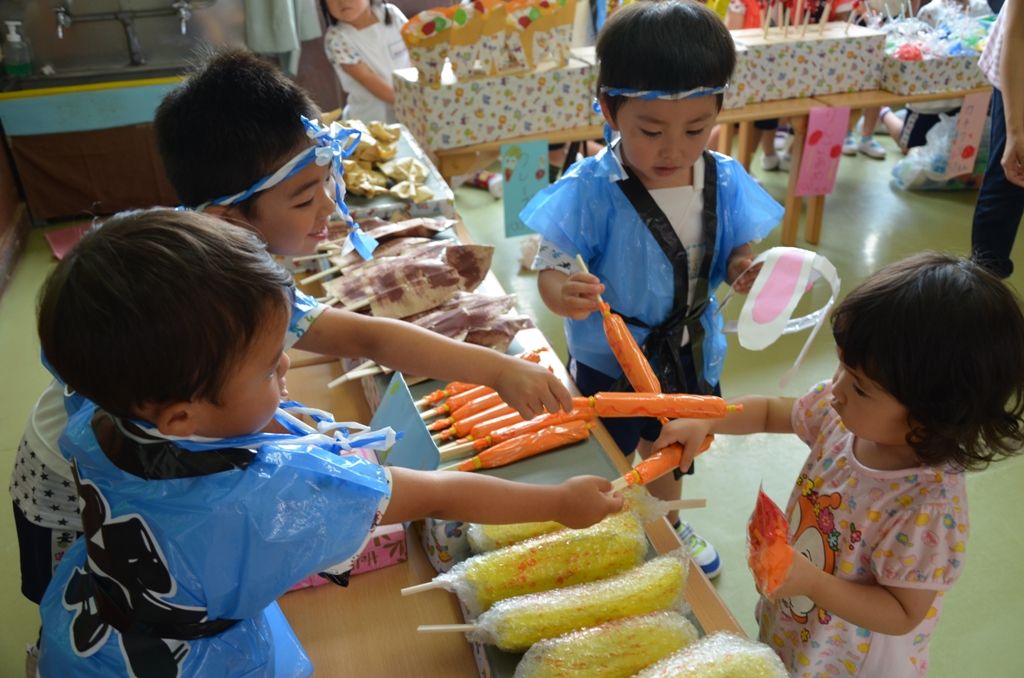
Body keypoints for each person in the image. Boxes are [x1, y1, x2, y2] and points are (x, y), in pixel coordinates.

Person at [10, 47, 571, 665]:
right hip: (63, 474)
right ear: (230, 217)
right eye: (305, 199)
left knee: (117, 590)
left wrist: (495, 368)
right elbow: (430, 493)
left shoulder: (188, 265)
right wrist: (562, 502)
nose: (329, 208)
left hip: (124, 452)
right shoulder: (199, 339)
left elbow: (362, 337)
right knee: (80, 577)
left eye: (328, 184)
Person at [34, 209, 622, 676]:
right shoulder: (269, 496)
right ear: (183, 416)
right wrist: (558, 503)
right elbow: (437, 494)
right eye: (268, 368)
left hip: (88, 624)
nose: (288, 360)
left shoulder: (102, 399)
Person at [650, 252, 1024, 676]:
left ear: (933, 412)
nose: (837, 390)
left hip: (850, 661)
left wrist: (811, 582)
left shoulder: (928, 508)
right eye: (842, 366)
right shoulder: (841, 418)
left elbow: (902, 612)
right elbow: (773, 411)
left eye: (861, 387)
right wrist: (709, 418)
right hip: (797, 625)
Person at [521, 0, 784, 578]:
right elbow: (549, 266)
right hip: (609, 359)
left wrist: (742, 265)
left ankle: (666, 519)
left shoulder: (724, 178)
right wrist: (561, 291)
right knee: (610, 453)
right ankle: (614, 525)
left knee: (673, 448)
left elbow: (737, 244)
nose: (674, 149)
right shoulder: (591, 188)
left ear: (719, 109)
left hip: (690, 348)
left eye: (696, 128)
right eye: (651, 130)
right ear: (610, 111)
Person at [971, 0, 1023, 278]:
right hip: (1018, 69)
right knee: (1010, 176)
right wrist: (1015, 132)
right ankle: (982, 288)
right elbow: (1016, 35)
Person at [320, 0, 411, 123]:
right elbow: (367, 78)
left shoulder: (392, 14)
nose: (341, 1)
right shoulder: (337, 38)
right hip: (370, 121)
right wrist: (413, 105)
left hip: (411, 108)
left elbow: (416, 51)